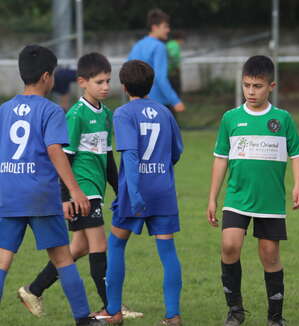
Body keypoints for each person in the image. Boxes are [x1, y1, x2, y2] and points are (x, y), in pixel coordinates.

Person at [17, 52, 143, 320]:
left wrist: (122, 192)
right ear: (82, 82)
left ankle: (33, 289)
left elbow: (109, 159)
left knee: (78, 249)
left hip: (95, 188)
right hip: (83, 191)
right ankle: (112, 308)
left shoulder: (107, 114)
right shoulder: (75, 115)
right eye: (99, 81)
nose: (106, 86)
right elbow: (65, 157)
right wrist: (66, 197)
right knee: (99, 247)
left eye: (108, 81)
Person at [0, 44, 102, 326]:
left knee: (2, 260)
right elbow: (56, 151)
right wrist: (75, 190)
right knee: (62, 258)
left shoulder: (4, 110)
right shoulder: (52, 110)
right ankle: (83, 319)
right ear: (46, 76)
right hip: (40, 195)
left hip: (8, 192)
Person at [207, 55, 299, 326]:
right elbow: (220, 158)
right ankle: (235, 311)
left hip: (270, 200)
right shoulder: (231, 119)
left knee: (269, 254)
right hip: (237, 196)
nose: (251, 92)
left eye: (257, 86)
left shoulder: (282, 119)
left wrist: (297, 185)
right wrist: (213, 198)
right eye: (247, 85)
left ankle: (275, 317)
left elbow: (298, 154)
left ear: (271, 86)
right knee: (229, 245)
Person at [96, 60, 183, 326]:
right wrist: (161, 171)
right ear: (151, 84)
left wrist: (133, 193)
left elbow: (131, 156)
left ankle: (114, 311)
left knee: (116, 244)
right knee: (167, 251)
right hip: (163, 189)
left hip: (136, 190)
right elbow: (177, 150)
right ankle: (172, 315)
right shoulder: (165, 112)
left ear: (124, 87)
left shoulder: (123, 114)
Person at [128, 8, 185, 115]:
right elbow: (160, 77)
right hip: (159, 104)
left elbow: (126, 74)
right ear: (154, 28)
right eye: (165, 27)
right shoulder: (159, 47)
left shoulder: (137, 46)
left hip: (137, 103)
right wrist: (175, 101)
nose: (168, 30)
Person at [166, 31, 185, 97]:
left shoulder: (168, 44)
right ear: (180, 39)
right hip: (172, 72)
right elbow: (173, 57)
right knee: (176, 92)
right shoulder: (175, 45)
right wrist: (176, 67)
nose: (183, 43)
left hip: (166, 72)